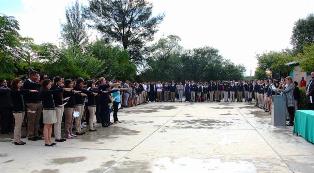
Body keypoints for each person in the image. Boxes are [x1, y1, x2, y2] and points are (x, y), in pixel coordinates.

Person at [40, 79, 63, 146]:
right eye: (50, 84)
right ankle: (46, 141)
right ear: (46, 85)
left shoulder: (47, 91)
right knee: (47, 125)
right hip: (47, 110)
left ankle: (49, 140)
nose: (51, 85)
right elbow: (54, 91)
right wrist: (62, 89)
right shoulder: (44, 91)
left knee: (50, 125)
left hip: (51, 109)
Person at [23, 71, 43, 141]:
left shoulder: (35, 83)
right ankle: (30, 135)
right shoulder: (27, 83)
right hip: (31, 104)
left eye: (38, 76)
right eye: (36, 76)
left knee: (37, 120)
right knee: (31, 120)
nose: (38, 78)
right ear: (31, 76)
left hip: (38, 103)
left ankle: (36, 134)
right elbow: (25, 91)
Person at [51, 77, 66, 142]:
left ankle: (59, 136)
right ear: (57, 81)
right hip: (57, 106)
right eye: (60, 81)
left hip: (61, 105)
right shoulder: (54, 87)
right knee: (57, 122)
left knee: (59, 121)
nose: (61, 82)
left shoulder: (59, 87)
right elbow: (55, 95)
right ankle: (57, 137)